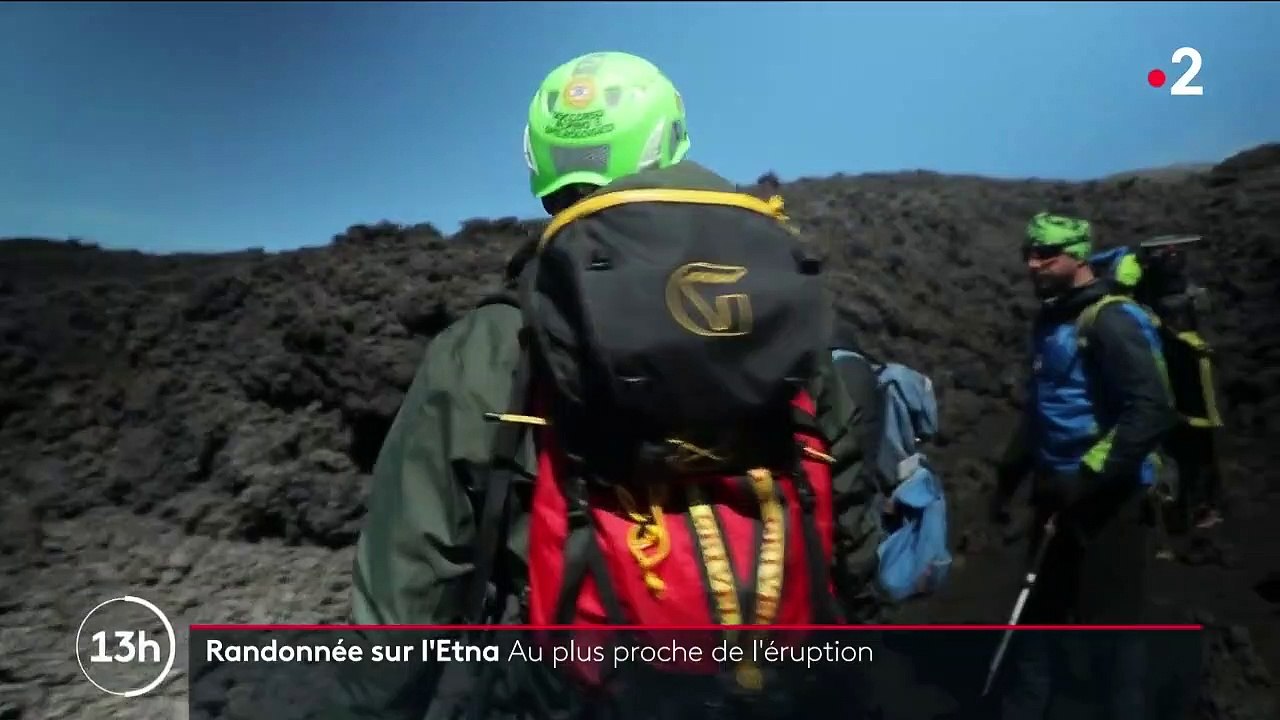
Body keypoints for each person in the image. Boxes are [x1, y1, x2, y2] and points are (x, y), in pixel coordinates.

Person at [325, 51, 876, 720]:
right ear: (670, 140)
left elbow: (409, 576)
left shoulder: (503, 337)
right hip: (791, 683)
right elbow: (845, 496)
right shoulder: (779, 298)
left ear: (539, 163)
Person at [989, 212, 1180, 720]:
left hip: (1112, 499)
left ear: (1078, 255)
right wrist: (1009, 479)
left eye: (1046, 254)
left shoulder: (1111, 319)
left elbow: (1151, 409)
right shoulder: (1051, 320)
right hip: (1058, 492)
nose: (1033, 264)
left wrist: (1090, 476)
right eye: (1028, 253)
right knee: (1038, 619)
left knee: (1114, 632)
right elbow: (1043, 408)